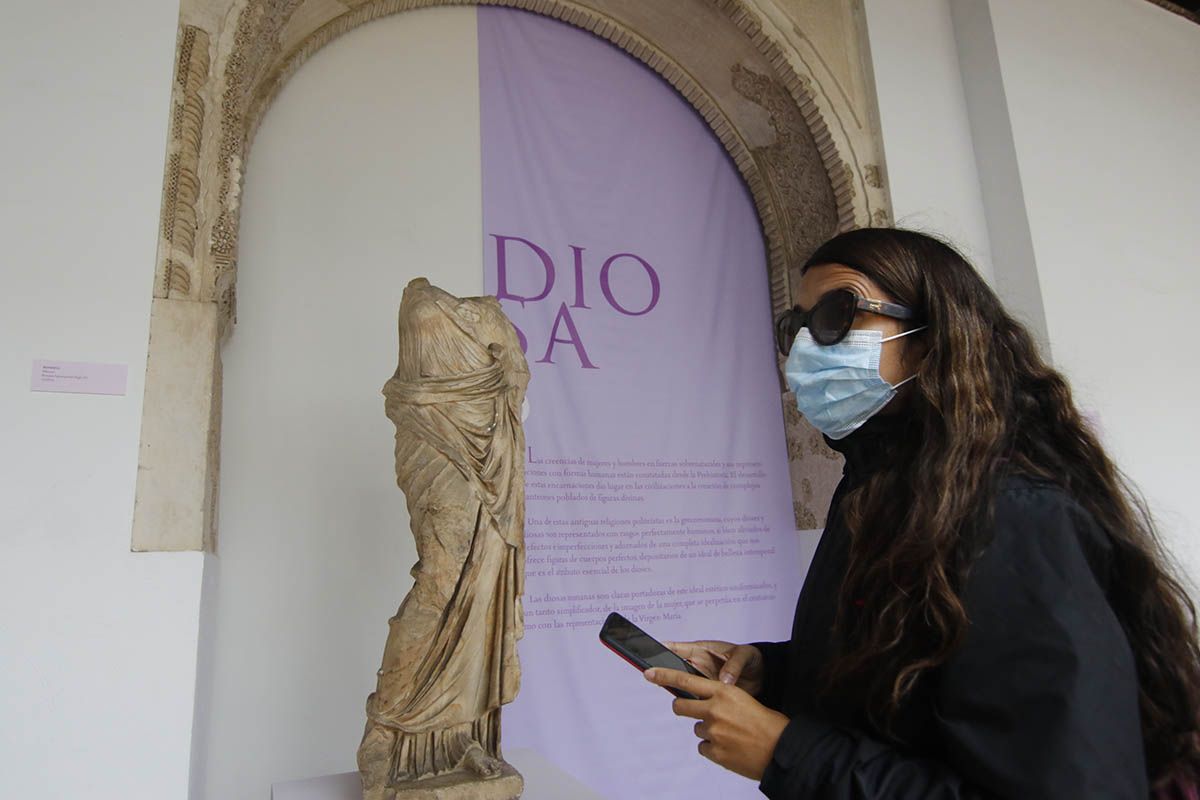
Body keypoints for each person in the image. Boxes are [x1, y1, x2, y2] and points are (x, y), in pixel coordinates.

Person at [644, 228, 1200, 798]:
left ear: (932, 338)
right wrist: (774, 674)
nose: (808, 347)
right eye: (798, 326)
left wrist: (789, 755)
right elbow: (920, 684)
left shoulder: (1013, 517)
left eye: (839, 314)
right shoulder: (879, 487)